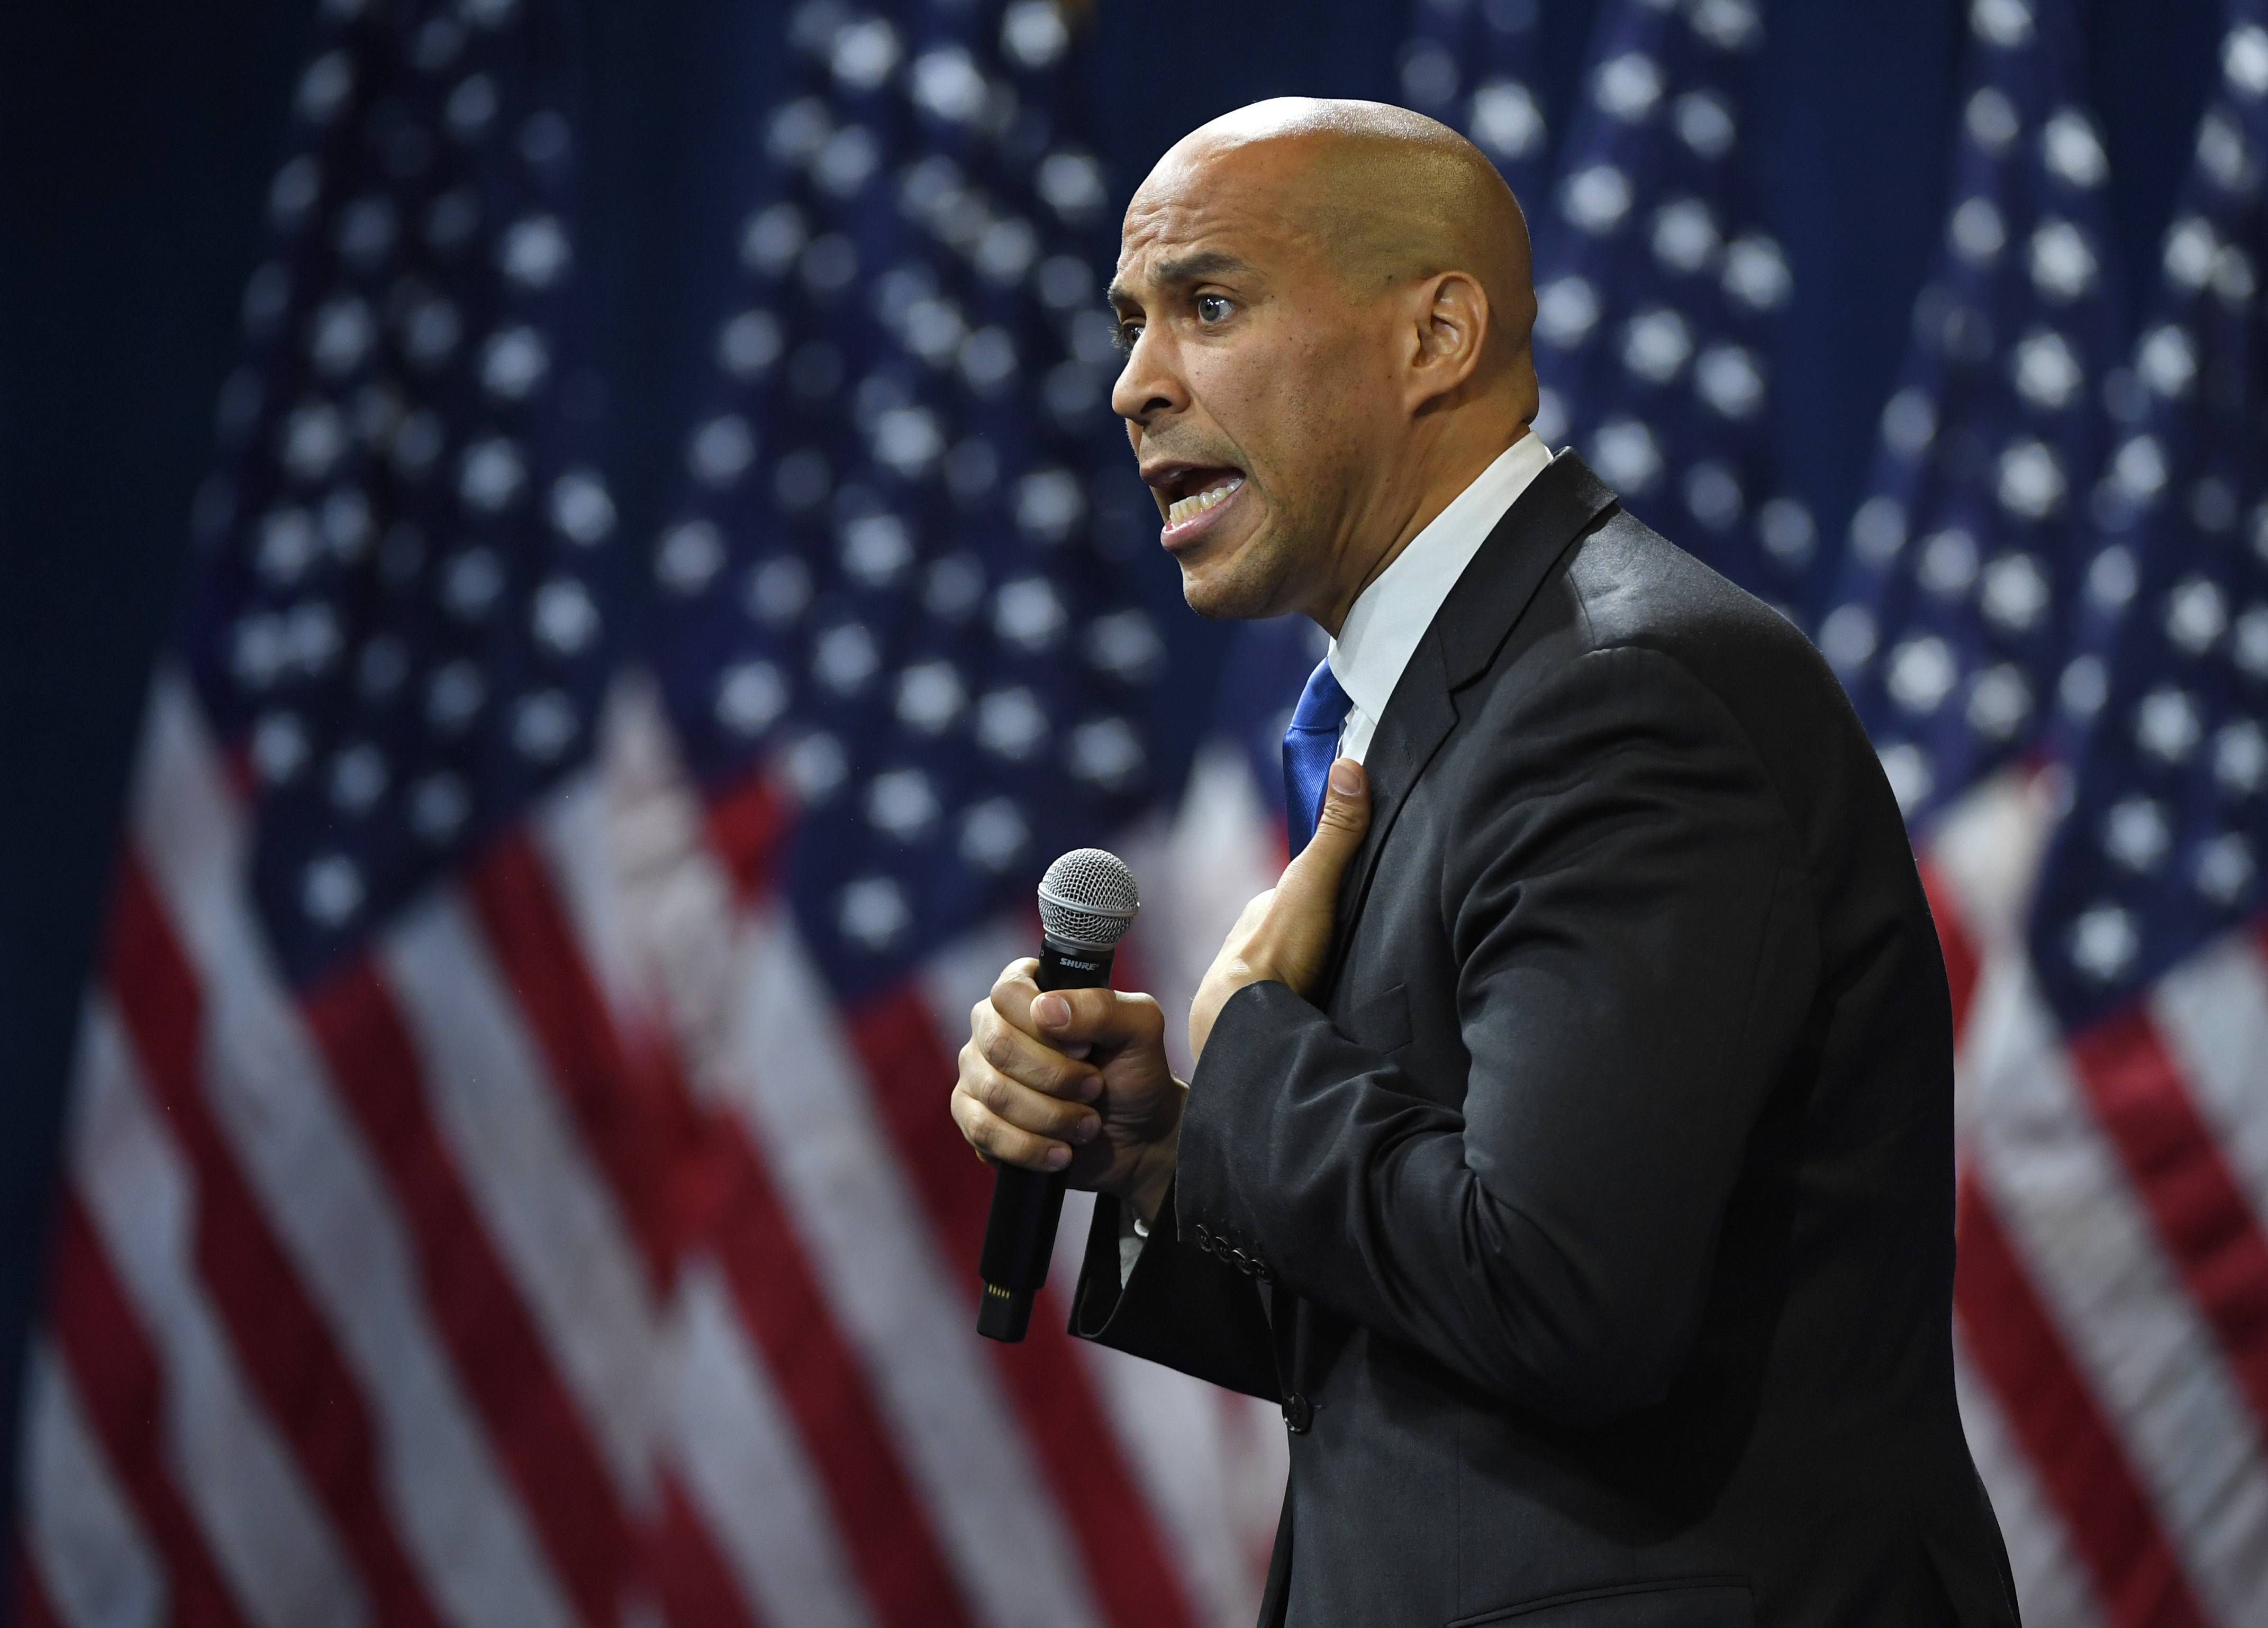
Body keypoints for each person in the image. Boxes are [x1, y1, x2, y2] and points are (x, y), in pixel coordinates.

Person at [949, 98, 2018, 1627]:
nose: (1134, 384)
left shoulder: (1617, 695)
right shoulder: (1475, 694)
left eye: (1211, 304)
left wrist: (1254, 1044)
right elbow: (1439, 1327)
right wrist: (1172, 1155)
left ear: (1436, 334)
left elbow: (1562, 1300)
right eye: (1132, 324)